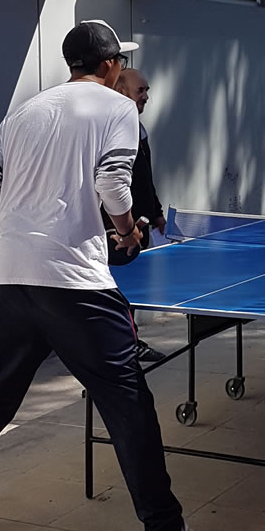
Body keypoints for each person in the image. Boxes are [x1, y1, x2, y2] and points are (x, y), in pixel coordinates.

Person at [0, 20, 220, 531]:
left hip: (10, 278)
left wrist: (22, 227)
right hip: (77, 285)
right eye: (120, 62)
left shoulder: (25, 112)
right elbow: (113, 183)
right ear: (109, 65)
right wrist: (126, 232)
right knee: (128, 404)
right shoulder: (118, 109)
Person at [104, 68, 167, 364]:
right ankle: (125, 347)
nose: (146, 96)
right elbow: (109, 185)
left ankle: (128, 343)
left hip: (139, 228)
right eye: (140, 90)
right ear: (121, 92)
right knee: (118, 293)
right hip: (118, 232)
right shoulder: (111, 131)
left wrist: (156, 213)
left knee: (131, 292)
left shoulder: (138, 130)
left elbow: (144, 178)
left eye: (147, 90)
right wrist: (119, 228)